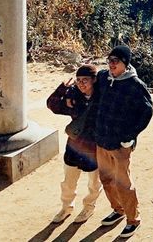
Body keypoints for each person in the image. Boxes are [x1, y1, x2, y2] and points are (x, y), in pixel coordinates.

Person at [92, 44, 153, 238]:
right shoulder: (103, 78)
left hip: (120, 145)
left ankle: (132, 219)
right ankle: (118, 210)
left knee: (123, 184)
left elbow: (147, 111)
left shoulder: (135, 86)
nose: (111, 64)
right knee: (106, 179)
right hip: (101, 139)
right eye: (109, 60)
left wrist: (130, 136)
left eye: (115, 61)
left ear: (125, 64)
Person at [45, 64, 102, 224]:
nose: (81, 83)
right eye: (78, 80)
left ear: (94, 80)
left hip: (94, 147)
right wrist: (62, 89)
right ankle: (66, 207)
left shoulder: (103, 98)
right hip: (74, 146)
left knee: (94, 181)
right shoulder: (74, 97)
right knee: (68, 180)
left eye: (85, 80)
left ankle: (89, 206)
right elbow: (52, 105)